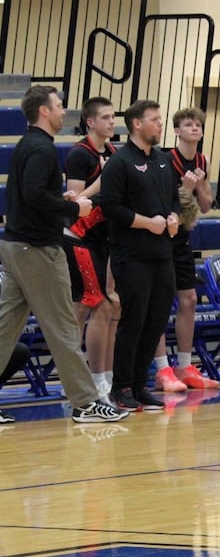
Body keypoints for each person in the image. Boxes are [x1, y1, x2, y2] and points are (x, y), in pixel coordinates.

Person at [0, 85, 128, 423]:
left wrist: (64, 202)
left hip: (15, 246)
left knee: (4, 329)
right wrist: (75, 209)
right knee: (62, 329)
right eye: (58, 106)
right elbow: (34, 195)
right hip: (37, 250)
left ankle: (85, 399)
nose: (62, 111)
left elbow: (35, 195)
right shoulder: (42, 149)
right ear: (44, 111)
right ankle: (86, 402)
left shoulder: (28, 144)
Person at [101, 99, 180, 412]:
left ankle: (139, 384)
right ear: (137, 124)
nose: (160, 124)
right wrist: (148, 223)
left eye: (160, 119)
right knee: (133, 321)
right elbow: (111, 207)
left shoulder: (163, 160)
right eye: (155, 120)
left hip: (163, 254)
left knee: (156, 320)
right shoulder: (120, 162)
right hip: (131, 255)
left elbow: (173, 200)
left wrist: (173, 217)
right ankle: (120, 387)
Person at [152, 107, 220, 392]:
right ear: (176, 131)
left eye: (197, 124)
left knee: (189, 300)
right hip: (162, 235)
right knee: (158, 303)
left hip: (183, 238)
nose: (194, 128)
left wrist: (199, 186)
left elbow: (205, 206)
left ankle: (184, 365)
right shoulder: (166, 160)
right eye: (188, 124)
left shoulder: (201, 160)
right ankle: (161, 368)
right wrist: (184, 187)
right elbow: (162, 201)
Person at [61, 96, 119, 404]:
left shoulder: (111, 151)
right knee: (96, 306)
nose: (112, 122)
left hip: (103, 237)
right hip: (79, 236)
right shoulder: (79, 154)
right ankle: (93, 383)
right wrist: (105, 178)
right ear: (90, 122)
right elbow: (77, 202)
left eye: (113, 117)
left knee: (98, 307)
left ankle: (98, 377)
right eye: (106, 117)